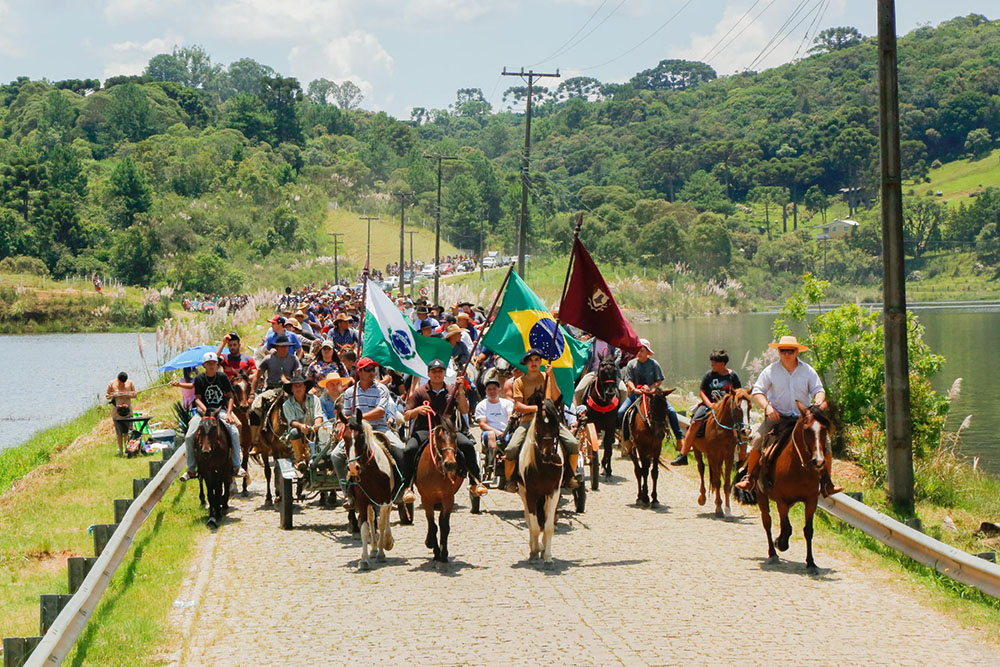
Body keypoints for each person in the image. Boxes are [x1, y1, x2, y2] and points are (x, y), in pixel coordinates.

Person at [735, 336, 843, 497]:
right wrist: (767, 406)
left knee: (825, 443)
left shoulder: (807, 370)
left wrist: (819, 399)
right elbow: (758, 392)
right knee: (758, 439)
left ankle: (827, 483)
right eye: (783, 350)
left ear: (796, 351)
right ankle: (750, 478)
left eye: (790, 351)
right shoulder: (770, 370)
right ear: (778, 351)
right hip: (777, 417)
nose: (786, 354)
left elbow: (818, 389)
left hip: (803, 418)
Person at [402, 359, 488, 499]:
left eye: (440, 371)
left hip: (449, 431)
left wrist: (460, 391)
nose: (437, 374)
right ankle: (407, 486)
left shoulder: (451, 391)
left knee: (467, 445)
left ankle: (475, 481)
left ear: (444, 373)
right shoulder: (419, 392)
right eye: (434, 372)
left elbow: (464, 410)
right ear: (429, 374)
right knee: (409, 449)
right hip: (425, 430)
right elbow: (406, 415)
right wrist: (418, 410)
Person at [335, 357, 409, 505]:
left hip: (378, 428)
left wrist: (358, 418)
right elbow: (347, 413)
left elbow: (380, 412)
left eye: (373, 369)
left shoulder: (382, 389)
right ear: (359, 372)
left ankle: (402, 488)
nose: (372, 373)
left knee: (401, 448)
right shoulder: (350, 392)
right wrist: (351, 421)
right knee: (336, 455)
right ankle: (347, 492)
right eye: (368, 370)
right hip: (357, 431)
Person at [503, 350, 580, 492]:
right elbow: (518, 406)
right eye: (530, 360)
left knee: (573, 444)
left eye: (537, 359)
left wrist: (552, 377)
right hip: (528, 421)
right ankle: (511, 479)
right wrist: (537, 409)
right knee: (511, 448)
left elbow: (557, 398)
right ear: (526, 363)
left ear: (540, 362)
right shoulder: (519, 382)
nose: (534, 362)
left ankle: (570, 476)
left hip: (550, 421)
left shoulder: (547, 377)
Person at [179, 353, 245, 482]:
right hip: (202, 412)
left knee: (235, 431)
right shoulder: (199, 379)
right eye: (209, 363)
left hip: (221, 410)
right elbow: (197, 399)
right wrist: (206, 411)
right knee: (189, 436)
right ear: (204, 365)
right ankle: (191, 469)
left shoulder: (222, 377)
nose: (212, 365)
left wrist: (230, 413)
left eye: (214, 363)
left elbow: (230, 396)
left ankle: (237, 465)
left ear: (217, 365)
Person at [671, 349, 742, 466]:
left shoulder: (733, 376)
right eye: (711, 362)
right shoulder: (709, 375)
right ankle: (683, 455)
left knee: (741, 426)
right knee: (694, 424)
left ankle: (741, 458)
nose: (712, 365)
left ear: (723, 364)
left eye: (715, 362)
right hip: (709, 405)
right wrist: (710, 405)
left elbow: (739, 392)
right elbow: (702, 392)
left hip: (727, 409)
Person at [617, 338, 684, 446]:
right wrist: (634, 389)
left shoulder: (654, 364)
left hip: (652, 395)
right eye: (637, 350)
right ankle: (626, 439)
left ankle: (679, 438)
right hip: (636, 394)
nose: (639, 353)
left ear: (648, 352)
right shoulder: (631, 364)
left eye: (642, 350)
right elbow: (628, 380)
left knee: (671, 411)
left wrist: (650, 388)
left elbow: (659, 380)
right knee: (621, 412)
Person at [248, 335, 302, 448]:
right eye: (281, 346)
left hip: (289, 388)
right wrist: (252, 393)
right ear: (276, 347)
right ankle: (255, 440)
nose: (284, 348)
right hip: (271, 389)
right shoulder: (268, 359)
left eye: (286, 346)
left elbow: (298, 376)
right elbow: (257, 377)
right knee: (255, 408)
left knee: (305, 404)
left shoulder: (294, 359)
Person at [281, 371, 323, 473]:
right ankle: (300, 459)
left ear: (305, 388)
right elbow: (291, 421)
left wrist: (317, 425)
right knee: (294, 432)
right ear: (291, 389)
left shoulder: (315, 399)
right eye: (295, 386)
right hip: (298, 433)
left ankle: (322, 457)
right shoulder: (287, 404)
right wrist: (301, 426)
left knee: (324, 431)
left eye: (300, 386)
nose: (298, 388)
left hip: (314, 430)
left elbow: (318, 415)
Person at [476, 377, 513, 455]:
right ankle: (492, 461)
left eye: (494, 389)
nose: (492, 391)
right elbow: (482, 424)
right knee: (491, 434)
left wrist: (505, 431)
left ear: (499, 390)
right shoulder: (481, 405)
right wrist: (497, 432)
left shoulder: (508, 404)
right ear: (486, 391)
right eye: (489, 389)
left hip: (506, 432)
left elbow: (510, 417)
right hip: (490, 433)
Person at [106, 371, 137, 456]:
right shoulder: (112, 383)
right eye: (120, 383)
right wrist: (114, 394)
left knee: (127, 432)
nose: (122, 384)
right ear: (118, 379)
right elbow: (107, 395)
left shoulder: (130, 383)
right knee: (119, 432)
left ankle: (128, 449)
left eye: (124, 383)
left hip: (128, 412)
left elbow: (135, 395)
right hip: (117, 413)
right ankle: (120, 451)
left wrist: (127, 394)